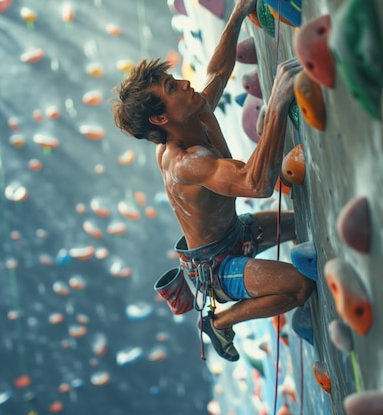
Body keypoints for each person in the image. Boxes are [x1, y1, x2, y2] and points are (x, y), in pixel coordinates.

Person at [112, 0, 315, 362]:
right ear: (160, 119)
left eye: (174, 81)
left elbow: (218, 70)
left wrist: (238, 13)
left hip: (232, 233)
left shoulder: (195, 113)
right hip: (218, 268)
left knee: (305, 225)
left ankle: (223, 316)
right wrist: (279, 104)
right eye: (173, 89)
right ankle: (220, 321)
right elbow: (256, 184)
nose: (185, 85)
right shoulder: (187, 163)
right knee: (298, 286)